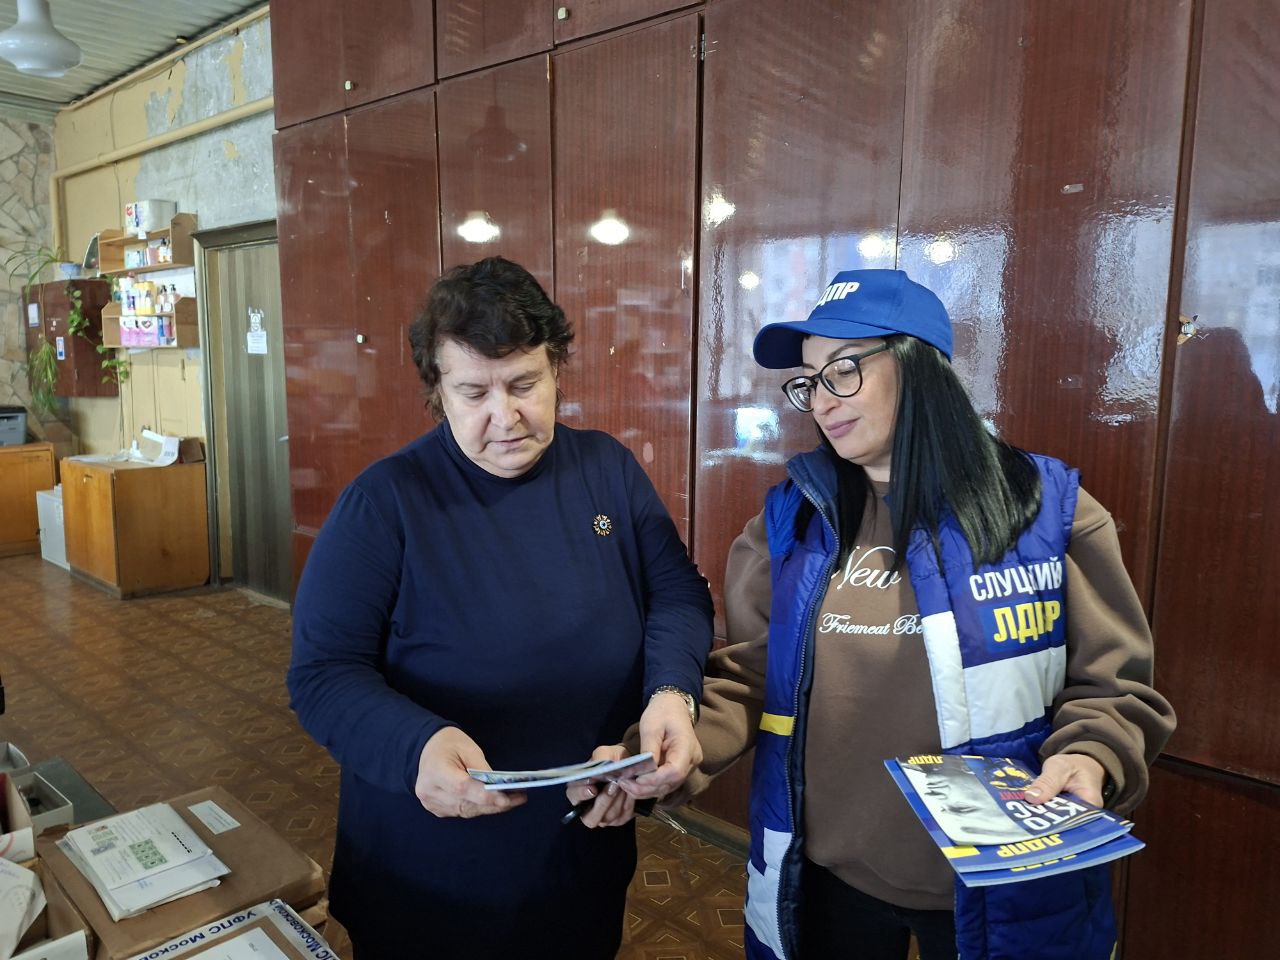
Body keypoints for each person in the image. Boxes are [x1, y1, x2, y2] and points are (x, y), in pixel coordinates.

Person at [621, 269, 1176, 960]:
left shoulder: (1043, 512)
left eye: (844, 371)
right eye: (810, 381)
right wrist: (677, 752)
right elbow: (751, 681)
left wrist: (1093, 755)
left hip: (997, 889)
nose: (822, 400)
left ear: (919, 366)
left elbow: (1115, 689)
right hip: (824, 879)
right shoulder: (790, 525)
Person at [287, 257, 713, 959]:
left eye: (524, 384)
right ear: (438, 393)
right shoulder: (386, 502)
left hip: (584, 844)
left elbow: (676, 592)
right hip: (430, 867)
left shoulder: (605, 469)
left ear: (556, 372)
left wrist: (672, 695)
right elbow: (324, 673)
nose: (505, 416)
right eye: (473, 393)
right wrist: (413, 745)